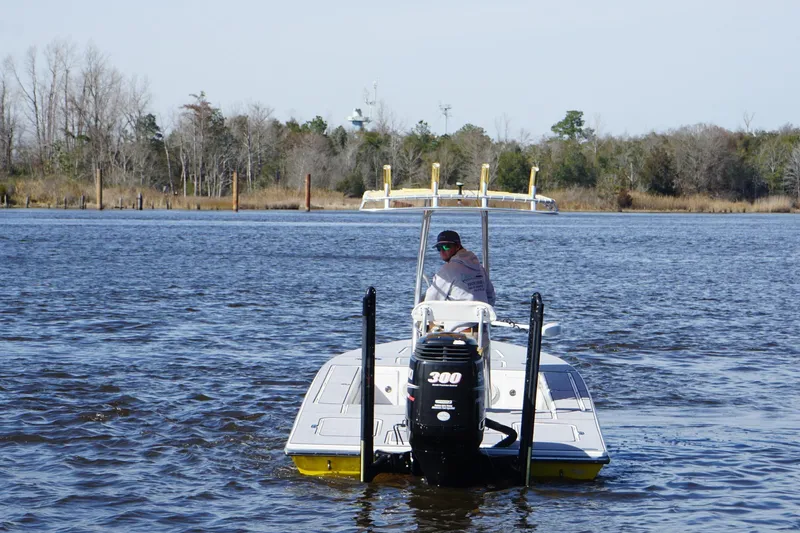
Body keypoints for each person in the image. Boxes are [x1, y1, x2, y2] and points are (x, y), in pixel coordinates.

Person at [424, 230, 496, 306]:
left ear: (457, 246)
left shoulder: (447, 270)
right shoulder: (479, 267)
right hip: (481, 315)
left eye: (445, 247)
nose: (442, 251)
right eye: (439, 248)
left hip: (456, 317)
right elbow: (491, 297)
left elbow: (431, 300)